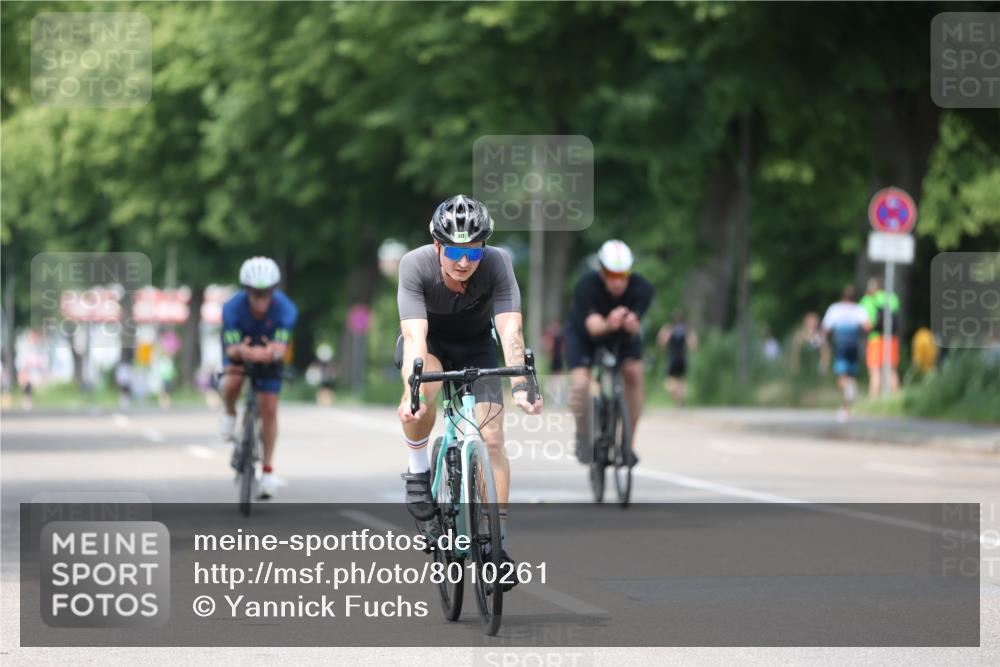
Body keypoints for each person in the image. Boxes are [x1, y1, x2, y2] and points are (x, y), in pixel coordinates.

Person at [394, 194, 542, 585]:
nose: (464, 262)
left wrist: (522, 383)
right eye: (455, 251)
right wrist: (412, 391)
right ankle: (417, 472)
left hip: (477, 345)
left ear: (484, 249)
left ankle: (496, 545)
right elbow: (413, 336)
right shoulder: (415, 265)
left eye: (473, 253)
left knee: (492, 437)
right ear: (438, 245)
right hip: (431, 346)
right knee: (424, 398)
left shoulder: (498, 264)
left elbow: (510, 328)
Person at [566, 240, 653, 465]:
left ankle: (627, 445)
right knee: (580, 385)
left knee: (634, 374)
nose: (617, 281)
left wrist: (632, 323)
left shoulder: (642, 288)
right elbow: (594, 327)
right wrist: (610, 323)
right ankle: (583, 435)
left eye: (623, 274)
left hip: (622, 335)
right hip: (586, 335)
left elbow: (636, 322)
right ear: (601, 271)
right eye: (610, 274)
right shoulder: (586, 285)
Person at [219, 256, 298, 500]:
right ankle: (230, 412)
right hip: (240, 355)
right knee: (231, 381)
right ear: (246, 291)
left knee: (269, 408)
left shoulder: (286, 309)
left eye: (266, 293)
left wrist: (269, 353)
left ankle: (267, 470)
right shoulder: (231, 307)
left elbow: (280, 349)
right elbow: (232, 349)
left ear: (273, 291)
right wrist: (245, 352)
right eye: (254, 293)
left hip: (269, 359)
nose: (260, 298)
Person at [821, 285, 870, 422]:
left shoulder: (835, 308)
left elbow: (825, 329)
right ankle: (846, 409)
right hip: (854, 345)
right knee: (851, 375)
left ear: (842, 296)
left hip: (841, 345)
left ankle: (847, 394)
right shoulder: (859, 309)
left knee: (841, 377)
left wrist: (822, 342)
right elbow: (867, 327)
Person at [859, 276, 900, 397]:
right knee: (891, 370)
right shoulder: (892, 298)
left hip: (875, 339)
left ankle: (873, 400)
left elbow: (866, 325)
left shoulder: (867, 300)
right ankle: (895, 400)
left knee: (875, 371)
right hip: (891, 339)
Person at [656, 309, 697, 405]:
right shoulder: (686, 329)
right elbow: (693, 345)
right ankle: (680, 400)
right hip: (683, 358)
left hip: (672, 358)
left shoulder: (669, 329)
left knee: (668, 382)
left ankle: (678, 396)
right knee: (681, 381)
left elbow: (661, 342)